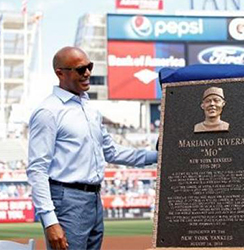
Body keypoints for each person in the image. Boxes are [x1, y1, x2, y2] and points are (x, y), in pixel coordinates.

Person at [26, 46, 157, 250]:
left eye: (89, 66)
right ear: (60, 73)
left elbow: (112, 152)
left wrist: (159, 155)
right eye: (80, 69)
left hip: (94, 199)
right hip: (66, 199)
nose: (87, 73)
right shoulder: (48, 111)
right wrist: (50, 221)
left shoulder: (90, 108)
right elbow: (37, 169)